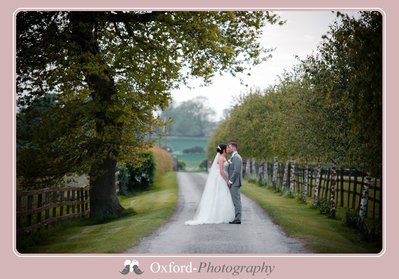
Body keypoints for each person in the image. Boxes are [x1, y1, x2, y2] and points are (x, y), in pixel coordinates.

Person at [185, 144, 235, 225]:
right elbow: (222, 172)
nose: (228, 149)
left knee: (220, 195)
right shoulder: (221, 158)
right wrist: (227, 181)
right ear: (223, 150)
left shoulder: (223, 157)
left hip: (220, 178)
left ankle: (219, 214)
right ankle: (219, 215)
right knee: (221, 195)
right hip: (221, 179)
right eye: (226, 148)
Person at [226, 142, 243, 224]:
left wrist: (230, 181)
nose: (228, 149)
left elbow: (236, 171)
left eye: (229, 147)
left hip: (235, 183)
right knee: (236, 200)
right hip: (234, 182)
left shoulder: (236, 157)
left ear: (233, 148)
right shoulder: (233, 157)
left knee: (236, 201)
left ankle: (238, 219)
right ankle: (237, 218)